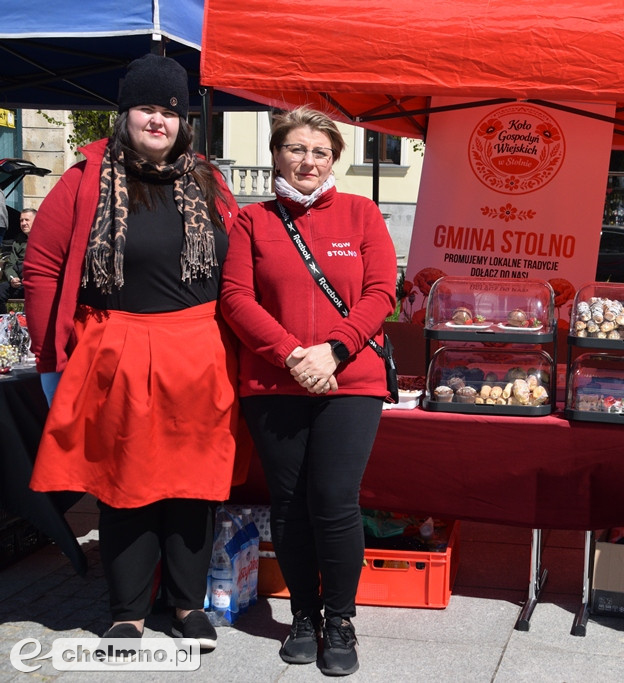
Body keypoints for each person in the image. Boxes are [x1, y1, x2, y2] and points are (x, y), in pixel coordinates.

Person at [23, 54, 240, 650]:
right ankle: (127, 608)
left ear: (184, 121)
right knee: (124, 482)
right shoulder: (85, 178)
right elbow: (40, 266)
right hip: (117, 348)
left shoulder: (209, 181)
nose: (159, 121)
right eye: (147, 108)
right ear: (124, 114)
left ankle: (186, 605)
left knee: (195, 483)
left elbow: (242, 264)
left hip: (199, 351)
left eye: (170, 111)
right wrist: (55, 353)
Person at [219, 105, 397, 676]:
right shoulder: (252, 220)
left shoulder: (362, 213)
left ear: (333, 160)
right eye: (296, 149)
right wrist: (293, 355)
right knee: (290, 505)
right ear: (276, 153)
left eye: (320, 151)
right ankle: (303, 614)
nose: (307, 160)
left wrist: (334, 350)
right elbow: (235, 299)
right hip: (275, 381)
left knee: (336, 500)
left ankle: (340, 619)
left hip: (351, 382)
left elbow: (381, 291)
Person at [1, 208, 34, 306]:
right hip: (19, 284)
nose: (23, 223)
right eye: (21, 220)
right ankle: (4, 320)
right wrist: (12, 278)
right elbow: (10, 264)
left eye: (27, 220)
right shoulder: (18, 240)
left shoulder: (44, 240)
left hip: (36, 284)